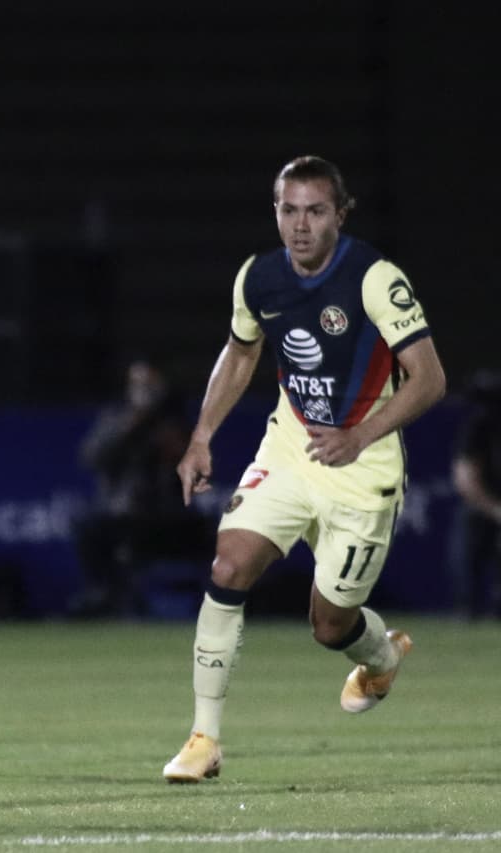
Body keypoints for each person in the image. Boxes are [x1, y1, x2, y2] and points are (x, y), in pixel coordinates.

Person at [161, 155, 446, 783]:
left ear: (339, 215)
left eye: (316, 210)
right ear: (276, 212)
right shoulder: (258, 278)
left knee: (329, 624)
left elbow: (430, 379)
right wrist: (201, 436)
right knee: (227, 565)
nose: (300, 225)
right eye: (289, 210)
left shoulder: (374, 279)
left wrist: (359, 433)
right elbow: (240, 353)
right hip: (291, 446)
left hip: (362, 466)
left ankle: (380, 656)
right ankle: (203, 739)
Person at [70, 357, 210, 617]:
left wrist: (176, 449)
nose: (144, 390)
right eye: (138, 383)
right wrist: (131, 425)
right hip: (123, 516)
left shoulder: (176, 421)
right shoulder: (117, 418)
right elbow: (91, 457)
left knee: (217, 530)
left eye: (150, 383)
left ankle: (220, 602)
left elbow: (199, 470)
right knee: (89, 528)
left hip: (170, 516)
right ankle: (103, 595)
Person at [448, 369, 501, 619]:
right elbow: (465, 477)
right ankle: (466, 607)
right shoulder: (479, 426)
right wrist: (494, 509)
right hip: (485, 504)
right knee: (469, 534)